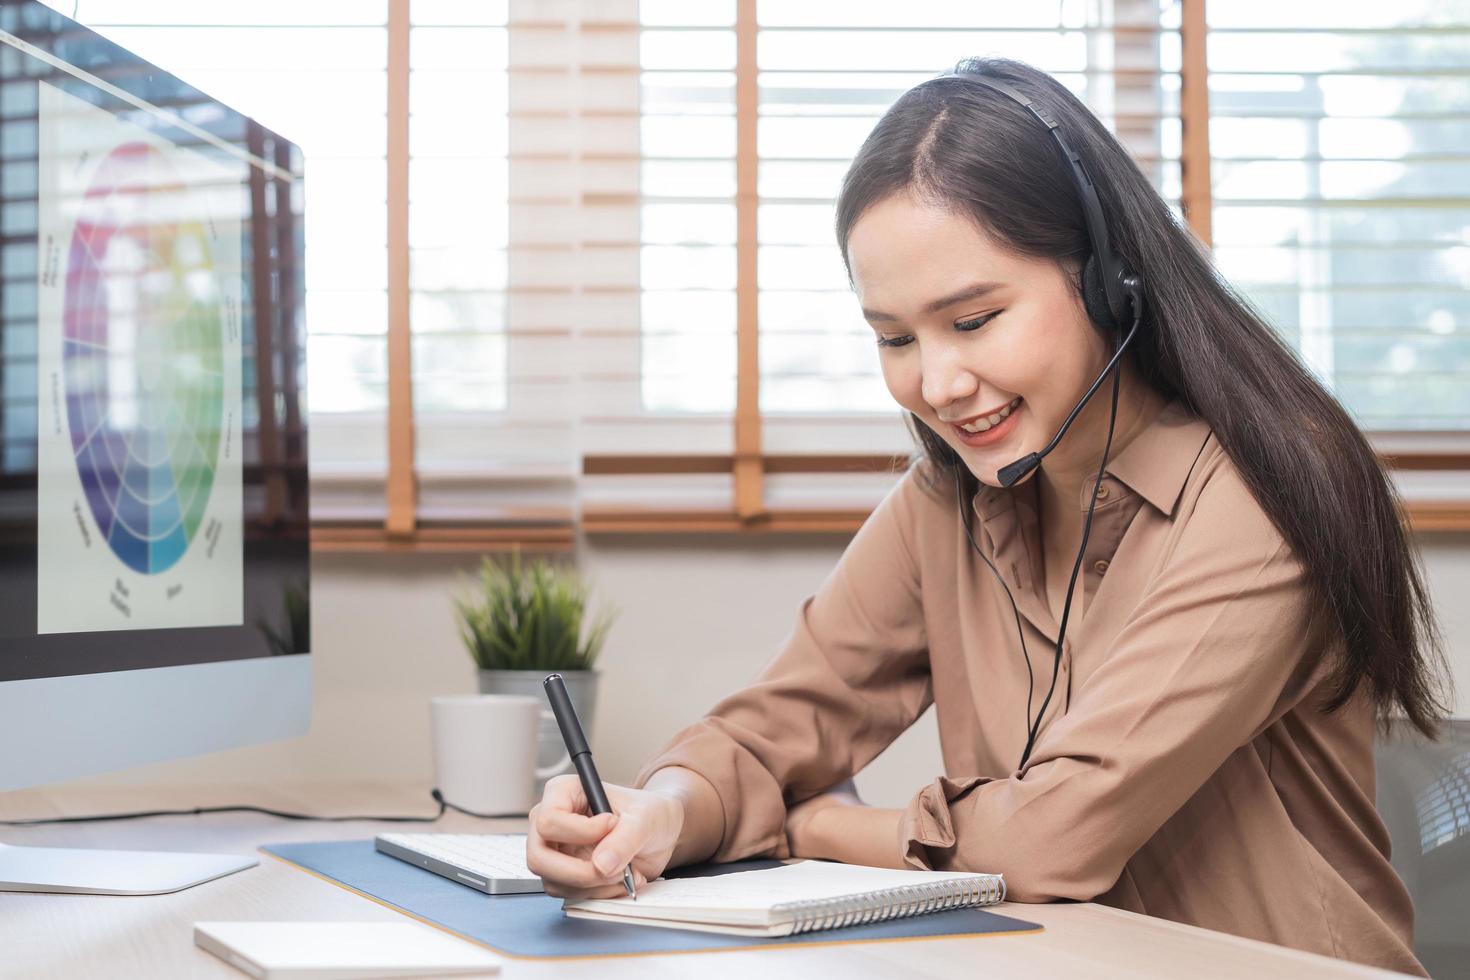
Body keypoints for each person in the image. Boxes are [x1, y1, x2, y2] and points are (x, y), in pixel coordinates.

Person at [525, 57, 1446, 975]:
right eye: (893, 338)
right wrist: (662, 812)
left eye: (972, 321)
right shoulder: (944, 506)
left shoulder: (1257, 497)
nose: (936, 384)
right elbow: (774, 728)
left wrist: (815, 825)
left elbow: (1055, 839)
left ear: (1106, 281)